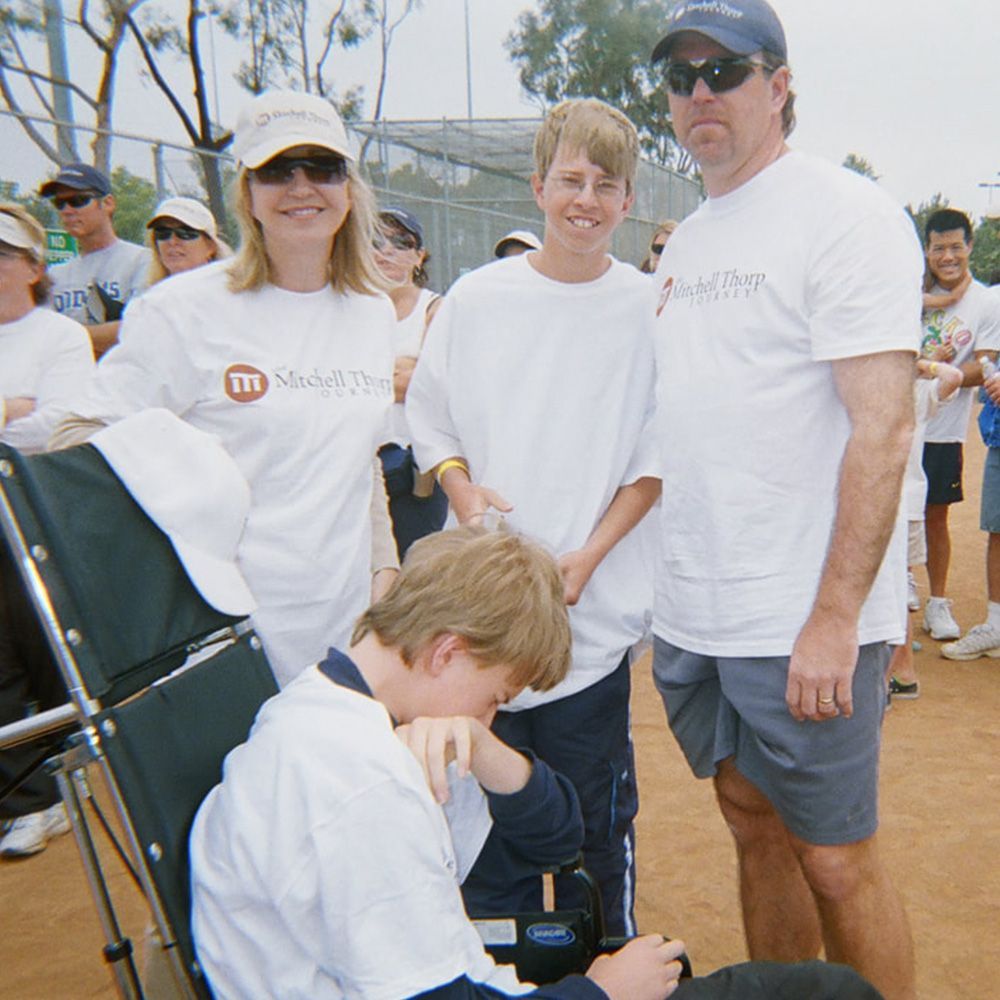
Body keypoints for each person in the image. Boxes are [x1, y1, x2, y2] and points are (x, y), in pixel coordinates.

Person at [190, 526, 879, 1000]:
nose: (491, 714)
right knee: (827, 992)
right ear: (447, 652)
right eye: (497, 698)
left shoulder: (348, 712)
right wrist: (603, 992)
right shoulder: (362, 784)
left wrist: (489, 751)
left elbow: (557, 840)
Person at [647, 2, 922, 998]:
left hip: (802, 619)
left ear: (780, 83)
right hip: (698, 614)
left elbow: (882, 427)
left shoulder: (843, 215)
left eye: (726, 68)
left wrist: (833, 620)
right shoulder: (686, 243)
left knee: (837, 859)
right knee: (749, 819)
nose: (701, 91)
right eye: (681, 76)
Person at [407, 98, 659, 936]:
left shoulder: (650, 309)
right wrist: (463, 490)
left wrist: (588, 557)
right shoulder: (478, 300)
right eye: (570, 180)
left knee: (592, 818)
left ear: (630, 202)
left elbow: (657, 457)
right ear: (538, 186)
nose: (586, 200)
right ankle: (504, 974)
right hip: (480, 629)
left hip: (589, 628)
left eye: (607, 185)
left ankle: (604, 965)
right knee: (483, 827)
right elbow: (430, 419)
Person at [53, 90, 398, 688]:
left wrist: (385, 575)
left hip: (342, 643)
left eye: (321, 167)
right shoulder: (184, 310)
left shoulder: (372, 311)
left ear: (348, 186)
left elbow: (360, 458)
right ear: (247, 192)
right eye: (275, 171)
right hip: (221, 649)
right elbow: (75, 440)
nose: (300, 187)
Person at [0, 203, 93, 858]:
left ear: (34, 267)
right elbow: (24, 420)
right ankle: (29, 798)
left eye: (5, 254)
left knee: (43, 650)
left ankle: (57, 781)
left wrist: (19, 416)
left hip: (33, 511)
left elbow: (58, 423)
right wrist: (12, 407)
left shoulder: (59, 336)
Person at [917, 208, 1000, 641]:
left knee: (935, 516)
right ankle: (900, 588)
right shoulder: (910, 293)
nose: (946, 256)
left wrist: (932, 368)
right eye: (938, 248)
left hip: (942, 429)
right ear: (926, 250)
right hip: (898, 424)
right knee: (887, 512)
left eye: (955, 247)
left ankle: (938, 602)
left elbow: (980, 366)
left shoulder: (987, 301)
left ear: (969, 247)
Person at [373, 206, 448, 558]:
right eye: (376, 239)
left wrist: (370, 377)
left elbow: (426, 386)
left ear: (419, 257)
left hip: (414, 473)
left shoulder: (434, 309)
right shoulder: (351, 307)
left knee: (414, 575)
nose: (386, 250)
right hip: (360, 466)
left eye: (401, 242)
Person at [887, 359, 962, 697]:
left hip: (903, 505)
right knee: (891, 587)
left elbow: (955, 375)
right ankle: (899, 673)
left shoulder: (916, 391)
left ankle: (900, 672)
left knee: (893, 588)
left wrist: (922, 366)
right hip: (897, 504)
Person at [38, 163, 150, 359]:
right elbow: (43, 339)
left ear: (108, 203)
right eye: (60, 203)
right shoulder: (55, 274)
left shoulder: (141, 260)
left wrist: (66, 338)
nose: (67, 210)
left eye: (78, 200)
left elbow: (137, 330)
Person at [145, 196, 230, 284]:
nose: (172, 241)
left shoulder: (227, 291)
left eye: (185, 233)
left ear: (211, 246)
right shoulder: (150, 294)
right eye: (163, 232)